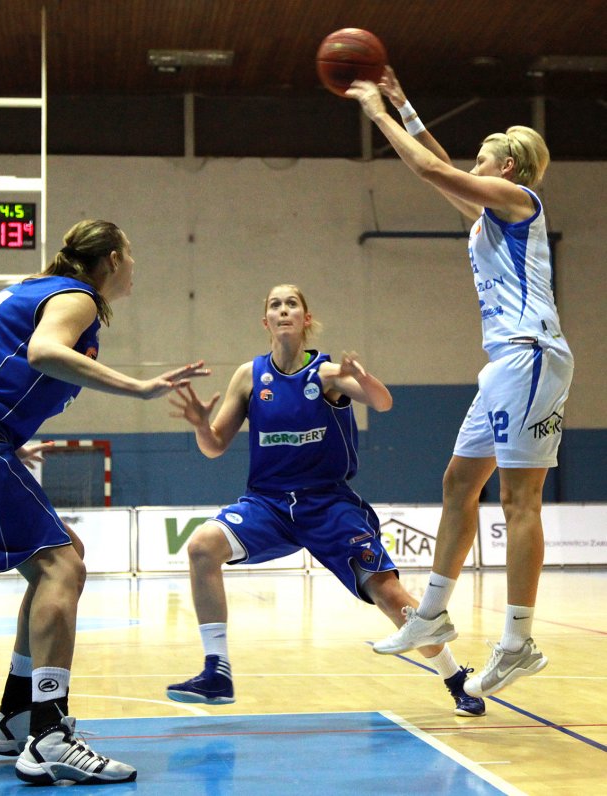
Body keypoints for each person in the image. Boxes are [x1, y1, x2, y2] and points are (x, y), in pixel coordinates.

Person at [0, 219, 209, 786]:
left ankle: (16, 716)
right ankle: (49, 733)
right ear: (111, 259)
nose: (134, 266)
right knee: (61, 567)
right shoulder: (76, 296)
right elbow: (43, 352)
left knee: (63, 554)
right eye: (130, 255)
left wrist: (7, 441)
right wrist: (138, 387)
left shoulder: (34, 290)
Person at [347, 69, 574, 697]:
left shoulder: (519, 201)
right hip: (503, 363)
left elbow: (431, 170)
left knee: (519, 500)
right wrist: (404, 104)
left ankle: (518, 641)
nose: (472, 167)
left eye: (482, 159)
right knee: (458, 483)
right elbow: (442, 166)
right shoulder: (489, 217)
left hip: (531, 356)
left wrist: (376, 113)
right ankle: (431, 613)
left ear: (508, 168)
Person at [165, 283, 486, 718]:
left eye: (291, 304)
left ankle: (455, 679)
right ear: (265, 321)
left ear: (306, 319)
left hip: (327, 505)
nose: (283, 310)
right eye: (275, 305)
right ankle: (216, 671)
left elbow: (383, 402)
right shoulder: (248, 376)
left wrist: (363, 378)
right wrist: (202, 425)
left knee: (390, 596)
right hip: (268, 504)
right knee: (202, 546)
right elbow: (214, 446)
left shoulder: (327, 374)